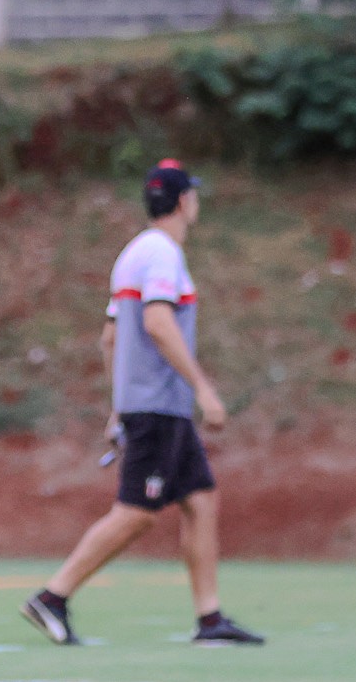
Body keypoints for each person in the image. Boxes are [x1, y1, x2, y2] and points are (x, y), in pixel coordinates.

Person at [21, 161, 264, 647]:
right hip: (159, 405)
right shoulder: (163, 255)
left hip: (152, 406)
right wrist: (203, 387)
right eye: (192, 195)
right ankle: (53, 596)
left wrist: (117, 405)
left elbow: (110, 337)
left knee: (200, 500)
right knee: (137, 513)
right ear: (182, 202)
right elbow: (156, 322)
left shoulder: (132, 253)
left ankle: (210, 618)